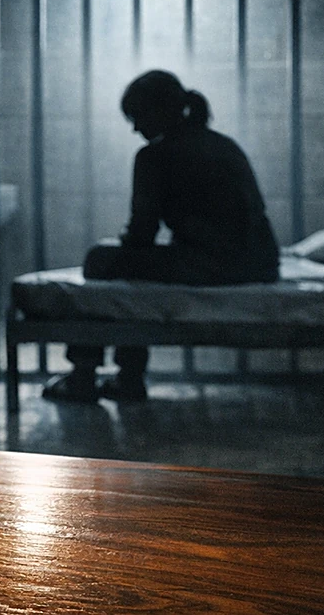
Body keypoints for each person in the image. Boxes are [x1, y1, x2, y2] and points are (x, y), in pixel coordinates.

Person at [42, 70, 280, 403]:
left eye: (137, 117)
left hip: (213, 266)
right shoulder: (224, 145)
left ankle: (87, 375)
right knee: (134, 268)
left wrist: (123, 248)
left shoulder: (154, 156)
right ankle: (127, 377)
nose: (135, 128)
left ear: (159, 112)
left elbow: (142, 233)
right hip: (262, 263)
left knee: (100, 261)